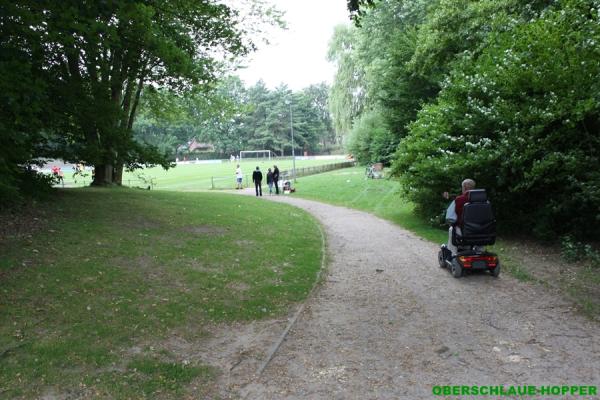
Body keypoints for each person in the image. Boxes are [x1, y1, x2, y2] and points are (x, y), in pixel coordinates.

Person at [444, 178, 476, 256]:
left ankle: (453, 254)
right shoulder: (484, 200)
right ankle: (479, 251)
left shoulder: (459, 200)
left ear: (464, 188)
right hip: (483, 230)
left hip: (464, 230)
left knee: (452, 229)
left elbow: (450, 217)